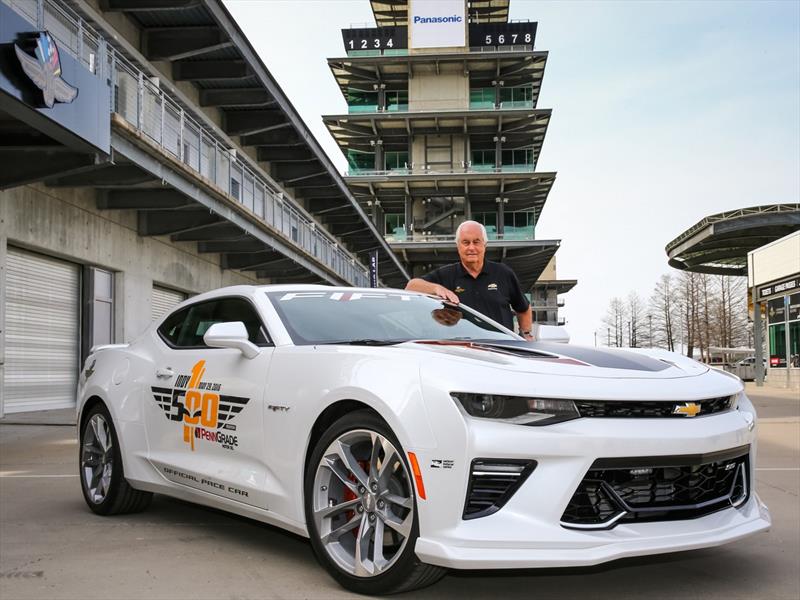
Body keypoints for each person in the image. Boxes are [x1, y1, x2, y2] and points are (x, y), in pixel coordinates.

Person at [405, 220, 534, 340]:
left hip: (502, 348)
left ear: (485, 244)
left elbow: (523, 308)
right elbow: (411, 286)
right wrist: (436, 288)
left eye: (476, 242)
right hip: (461, 352)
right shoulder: (447, 274)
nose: (471, 248)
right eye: (466, 242)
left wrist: (526, 334)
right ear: (458, 246)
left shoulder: (503, 273)